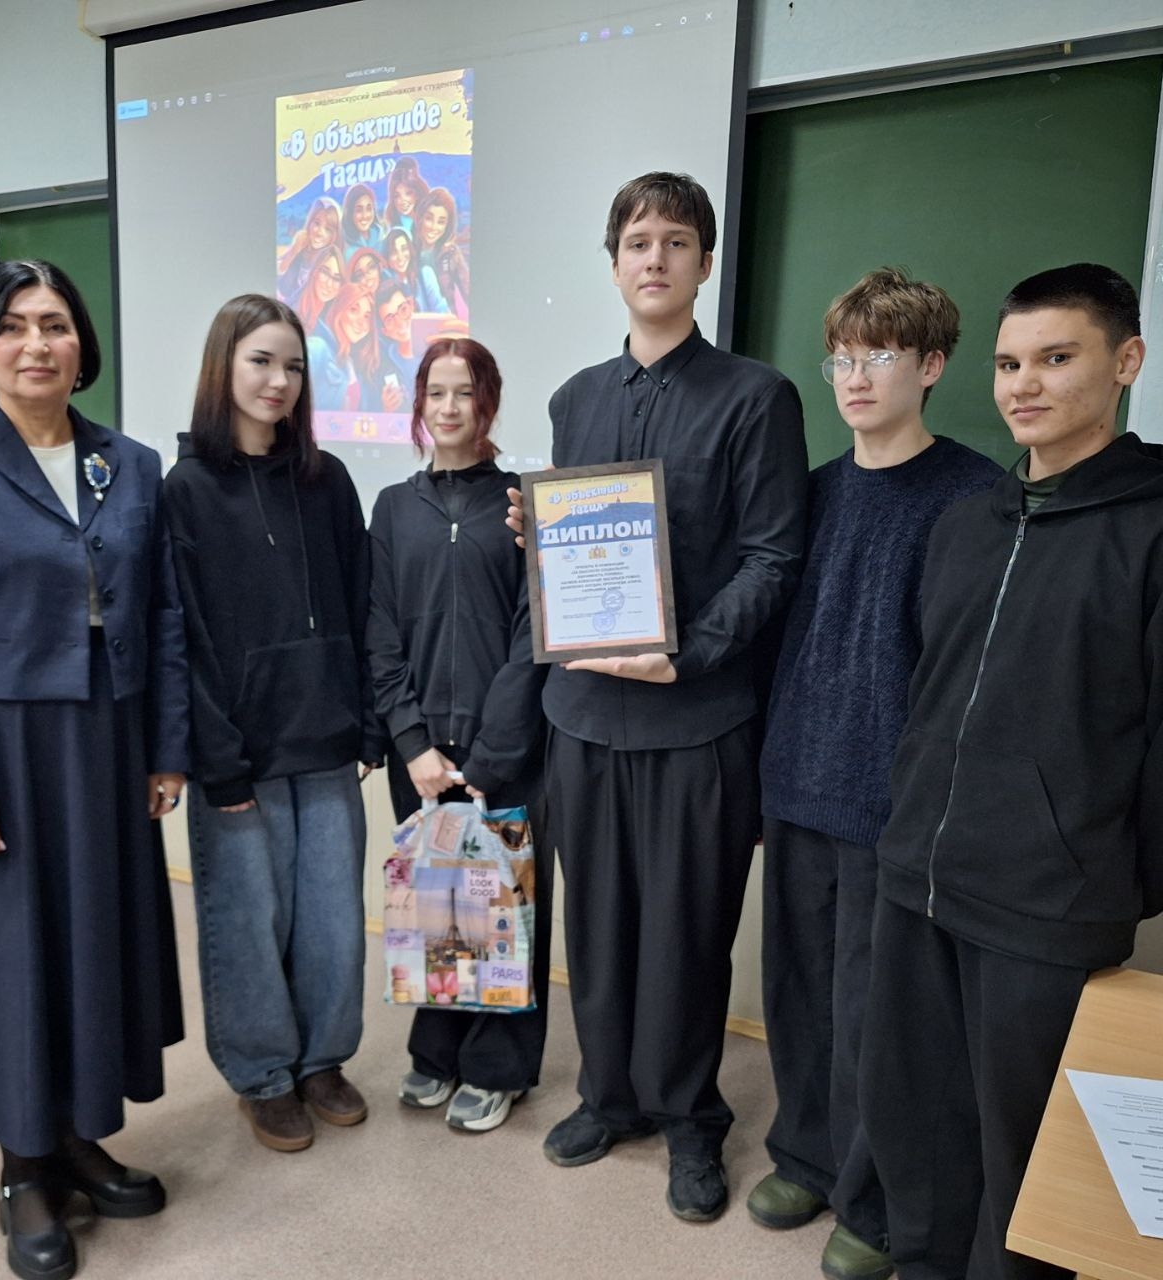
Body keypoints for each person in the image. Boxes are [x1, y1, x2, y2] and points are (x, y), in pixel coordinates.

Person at [508, 172, 808, 1222]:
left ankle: (689, 1117)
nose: (654, 258)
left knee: (684, 933)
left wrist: (687, 654)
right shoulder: (573, 398)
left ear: (704, 263)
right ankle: (610, 1096)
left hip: (695, 717)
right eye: (637, 241)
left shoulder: (756, 396)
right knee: (594, 930)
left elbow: (773, 557)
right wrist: (536, 538)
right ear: (613, 263)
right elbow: (574, 553)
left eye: (676, 241)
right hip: (583, 717)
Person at [0, 259, 189, 1280]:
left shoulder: (128, 462)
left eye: (55, 324)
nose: (36, 344)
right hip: (0, 752)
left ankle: (74, 1135)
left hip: (107, 743)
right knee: (14, 953)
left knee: (89, 943)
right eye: (13, 326)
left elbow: (163, 616)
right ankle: (23, 1168)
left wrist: (164, 748)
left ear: (80, 343)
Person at [859, 263, 1161, 1280]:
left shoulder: (1151, 527)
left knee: (1026, 1154)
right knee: (916, 1118)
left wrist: (1103, 875)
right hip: (918, 878)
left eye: (1054, 357)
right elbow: (927, 693)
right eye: (1005, 363)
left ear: (1125, 361)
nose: (1022, 384)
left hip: (1046, 905)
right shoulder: (965, 524)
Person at [750, 268, 1001, 1280]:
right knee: (797, 994)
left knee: (880, 1020)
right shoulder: (811, 491)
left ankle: (875, 1202)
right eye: (842, 360)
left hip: (891, 804)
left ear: (930, 365)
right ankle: (804, 1156)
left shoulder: (973, 496)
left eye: (880, 356)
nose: (855, 378)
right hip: (795, 780)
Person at [163, 294, 385, 1154]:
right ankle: (262, 1074)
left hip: (326, 739)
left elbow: (362, 604)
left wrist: (368, 722)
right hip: (239, 754)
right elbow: (181, 636)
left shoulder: (327, 483)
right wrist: (214, 756)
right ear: (223, 366)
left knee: (332, 919)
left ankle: (322, 1059)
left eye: (293, 365)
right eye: (261, 360)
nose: (279, 381)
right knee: (247, 924)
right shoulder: (184, 491)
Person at [367, 337, 551, 1133]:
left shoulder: (521, 506)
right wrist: (411, 741)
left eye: (465, 392)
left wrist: (494, 753)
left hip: (504, 750)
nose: (449, 407)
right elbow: (378, 629)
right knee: (437, 902)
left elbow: (533, 633)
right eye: (435, 392)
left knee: (502, 909)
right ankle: (438, 1049)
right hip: (419, 752)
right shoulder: (392, 507)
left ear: (488, 403)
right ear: (418, 404)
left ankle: (499, 1065)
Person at [308, 283, 402, 415]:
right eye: (353, 310)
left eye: (366, 316)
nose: (361, 322)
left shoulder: (355, 367)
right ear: (339, 310)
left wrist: (386, 407)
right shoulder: (317, 348)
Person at [414, 187, 469, 318]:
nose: (434, 227)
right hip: (413, 323)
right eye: (429, 218)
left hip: (445, 324)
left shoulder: (451, 253)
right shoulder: (407, 251)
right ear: (421, 218)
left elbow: (469, 291)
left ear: (447, 225)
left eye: (441, 222)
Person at [278, 197, 342, 310]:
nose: (320, 233)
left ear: (335, 234)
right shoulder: (300, 246)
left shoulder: (332, 260)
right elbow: (279, 277)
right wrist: (293, 252)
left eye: (328, 229)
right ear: (309, 222)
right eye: (316, 223)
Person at [377, 281, 421, 393]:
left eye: (403, 309)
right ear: (385, 331)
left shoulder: (434, 342)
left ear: (411, 306)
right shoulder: (388, 363)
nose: (400, 323)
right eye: (389, 320)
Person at [297, 243, 345, 340]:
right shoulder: (295, 307)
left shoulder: (329, 321)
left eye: (336, 279)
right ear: (314, 272)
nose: (329, 284)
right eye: (325, 272)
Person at [384, 157, 428, 237]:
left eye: (408, 193)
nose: (403, 201)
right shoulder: (393, 219)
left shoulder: (427, 217)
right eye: (397, 196)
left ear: (417, 194)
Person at [342, 183, 384, 253]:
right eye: (359, 210)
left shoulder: (382, 240)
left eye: (369, 209)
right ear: (350, 212)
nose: (365, 216)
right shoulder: (343, 244)